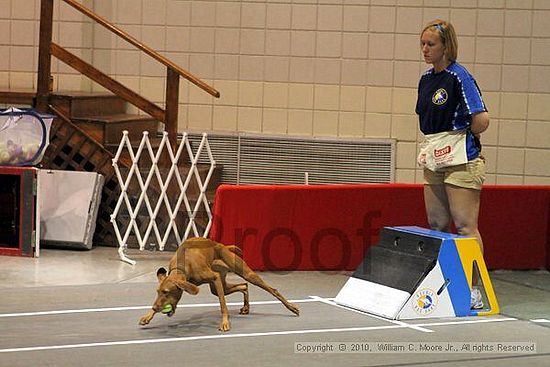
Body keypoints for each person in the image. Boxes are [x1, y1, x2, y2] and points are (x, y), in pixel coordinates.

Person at [416, 20, 490, 309]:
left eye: (430, 44)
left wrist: (459, 137)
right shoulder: (425, 79)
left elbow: (481, 120)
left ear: (446, 46)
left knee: (464, 225)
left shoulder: (460, 77)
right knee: (435, 223)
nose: (424, 49)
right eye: (422, 44)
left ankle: (473, 289)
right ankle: (441, 283)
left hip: (462, 159)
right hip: (435, 157)